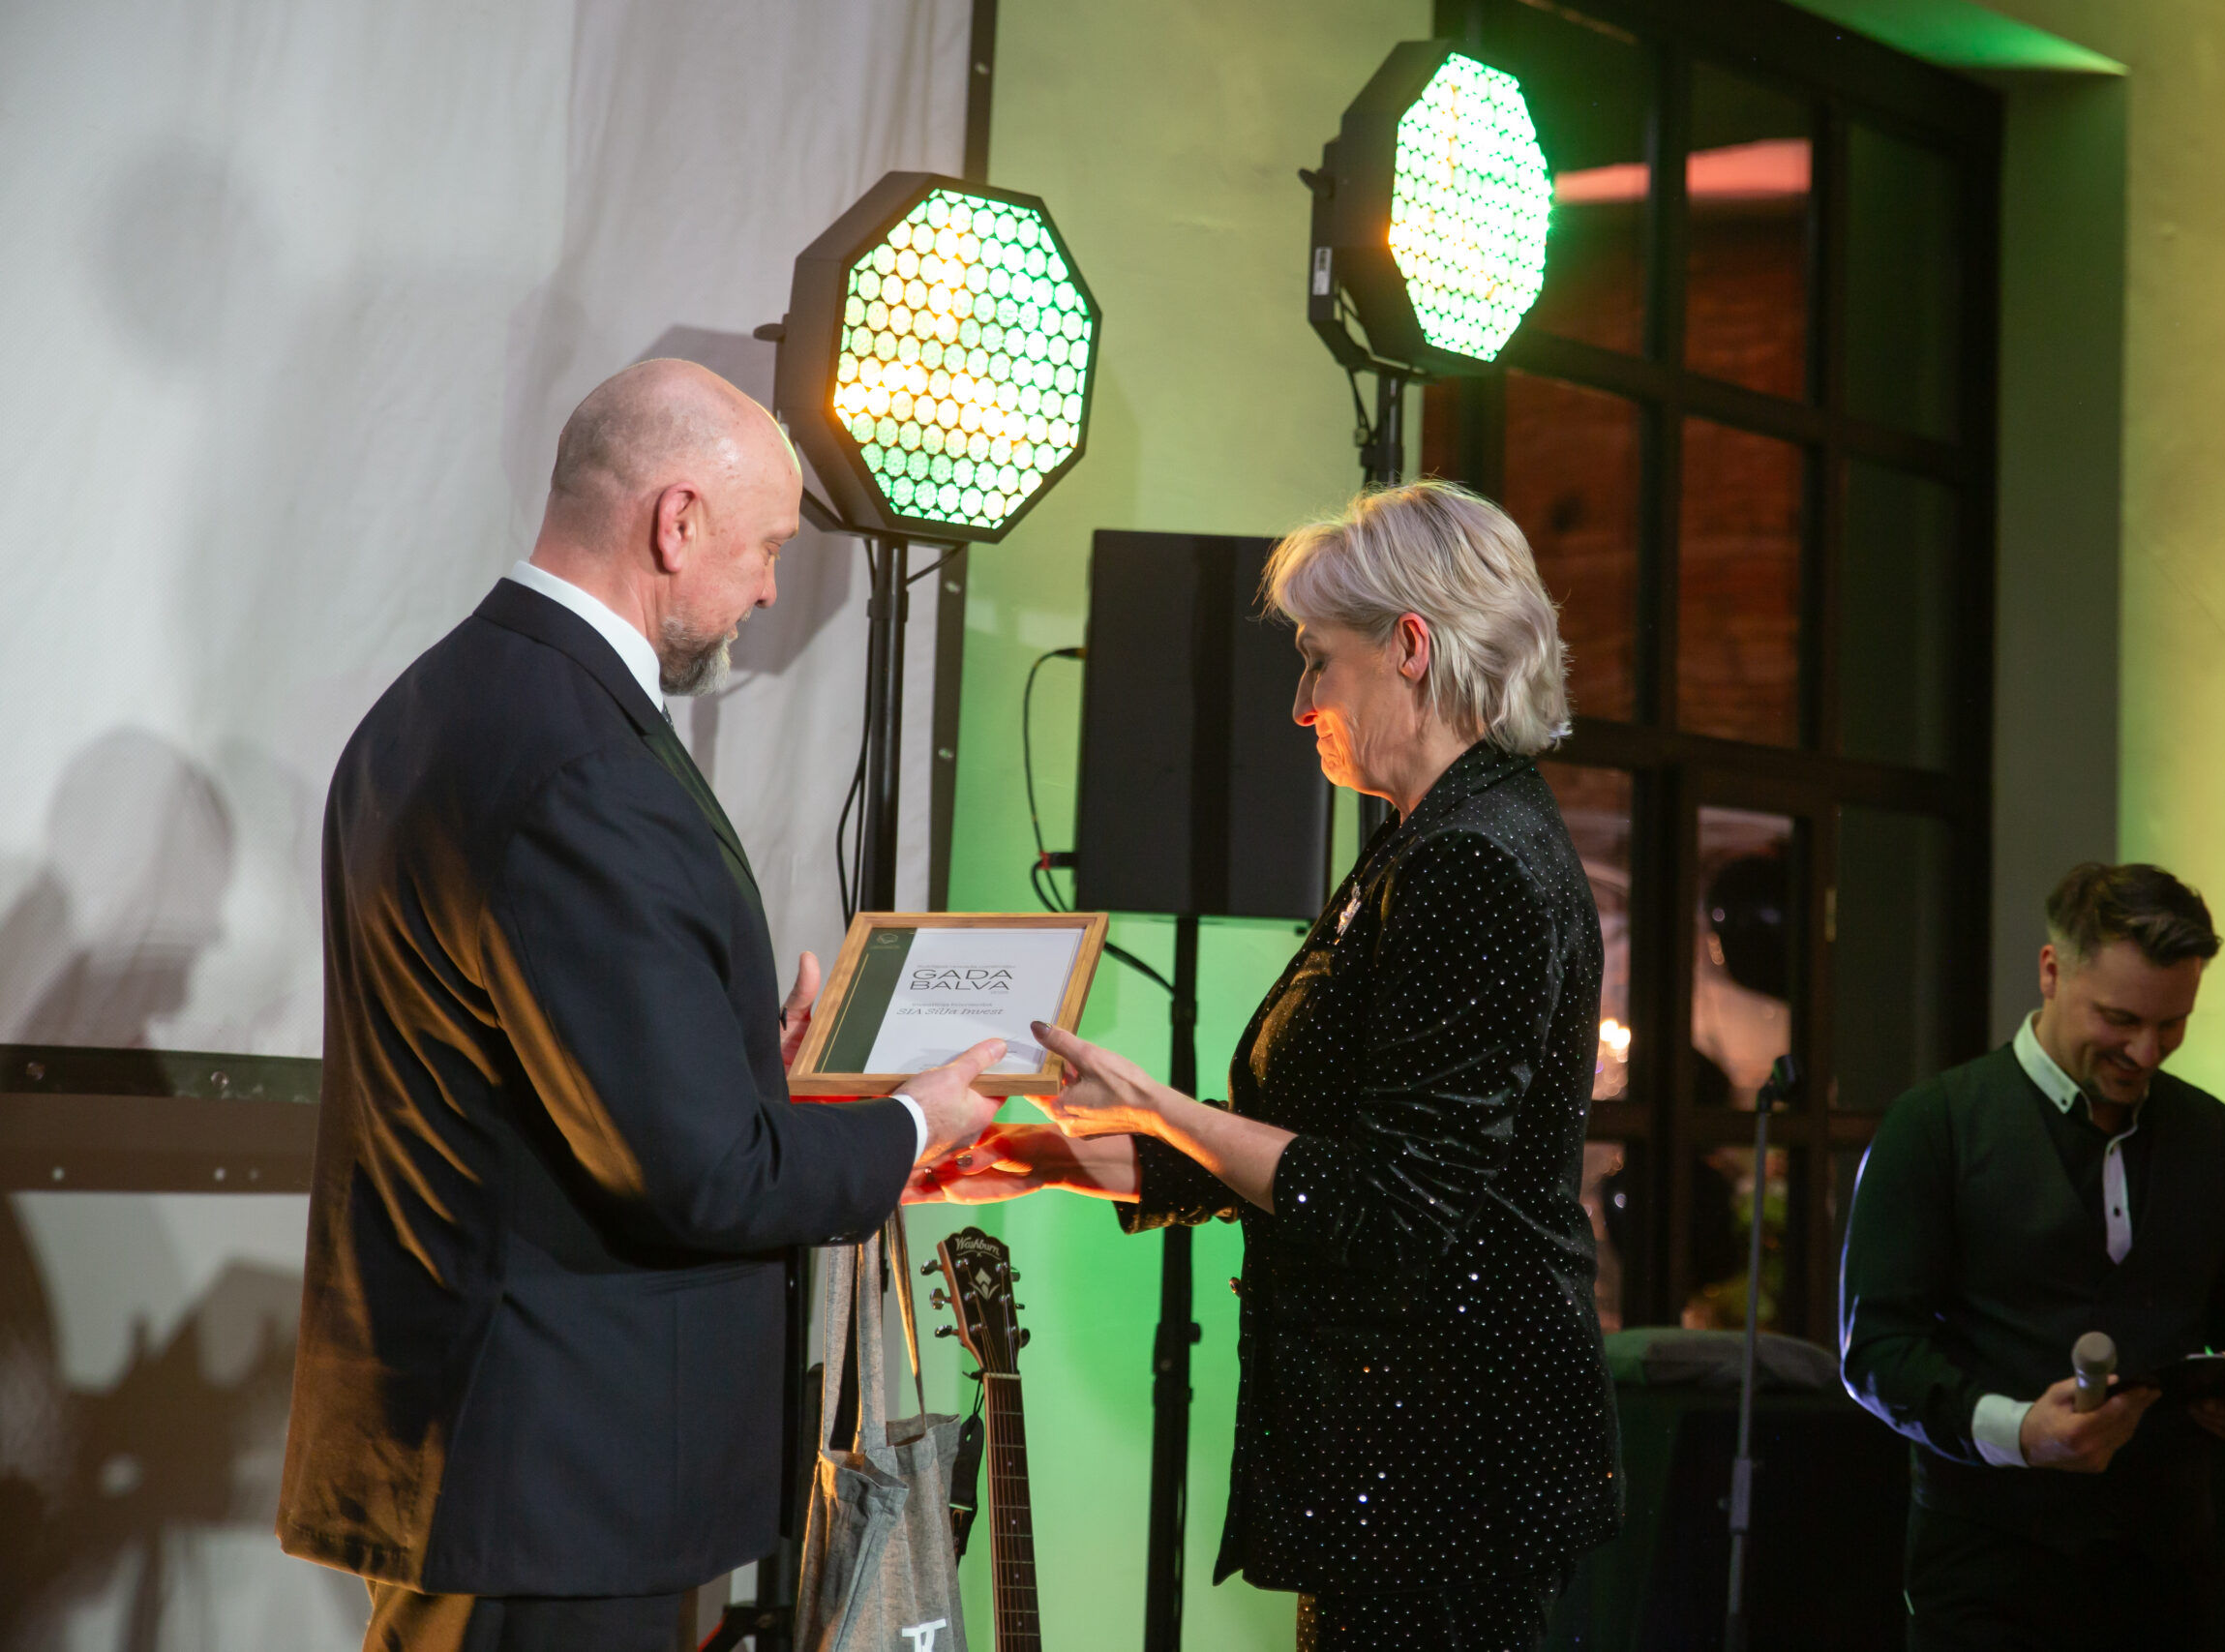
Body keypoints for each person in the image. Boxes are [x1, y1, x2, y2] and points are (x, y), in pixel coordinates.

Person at [277, 359, 1005, 1652]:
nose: (770, 588)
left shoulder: (436, 703)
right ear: (678, 522)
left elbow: (533, 1051)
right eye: (767, 547)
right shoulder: (582, 760)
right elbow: (700, 1175)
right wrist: (913, 1123)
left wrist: (734, 1060)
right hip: (552, 1476)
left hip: (493, 1452)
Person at [922, 481, 1622, 1652]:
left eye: (1317, 662)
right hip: (1409, 1462)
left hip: (1444, 1470)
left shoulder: (1473, 863)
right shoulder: (1427, 840)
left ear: (1409, 648)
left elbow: (1392, 1205)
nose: (1301, 707)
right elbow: (1311, 1155)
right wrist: (1038, 1155)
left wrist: (1158, 1108)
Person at [1839, 861, 2225, 1650]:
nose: (2147, 1051)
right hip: (1986, 1575)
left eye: (2173, 1023)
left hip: (2166, 1575)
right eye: (2121, 1018)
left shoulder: (2220, 1139)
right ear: (2051, 971)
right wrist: (2021, 1431)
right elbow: (1876, 1351)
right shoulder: (1934, 1125)